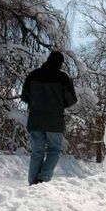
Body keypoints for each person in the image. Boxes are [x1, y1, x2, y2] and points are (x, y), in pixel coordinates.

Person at [21, 50, 77, 185]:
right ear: (61, 63)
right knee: (54, 150)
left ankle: (32, 182)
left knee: (37, 152)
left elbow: (24, 96)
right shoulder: (63, 76)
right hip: (54, 120)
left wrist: (36, 104)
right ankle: (43, 178)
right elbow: (71, 100)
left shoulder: (33, 75)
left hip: (35, 119)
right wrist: (58, 104)